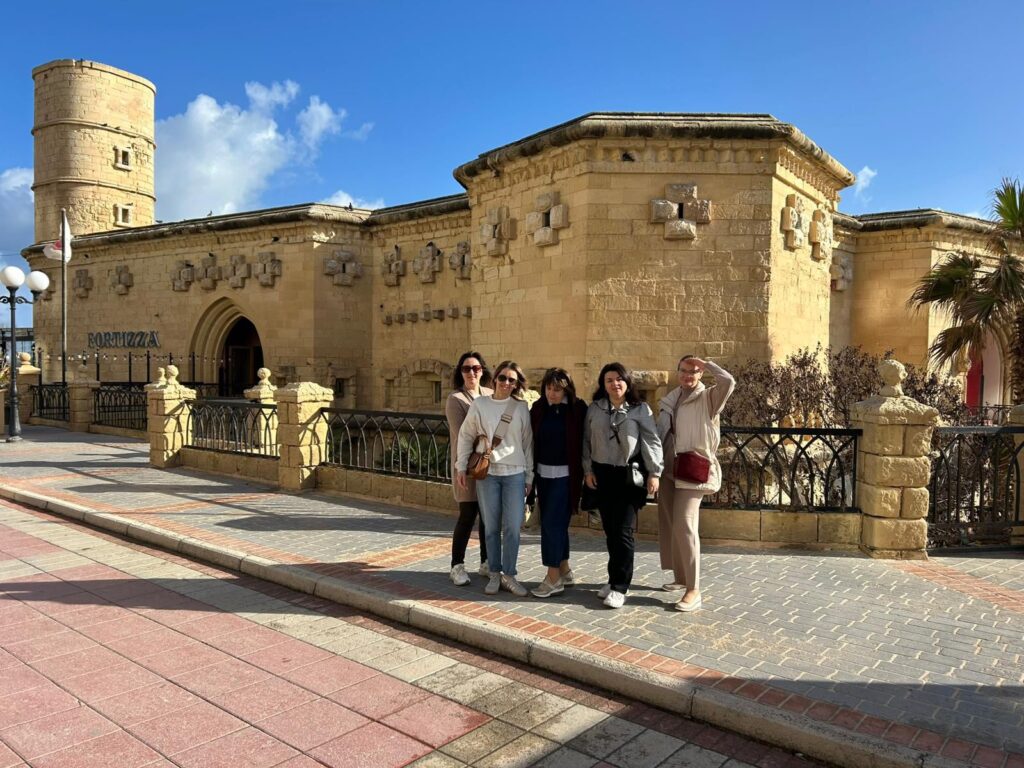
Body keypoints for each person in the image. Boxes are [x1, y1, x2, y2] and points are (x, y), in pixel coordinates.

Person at [656, 356, 736, 613]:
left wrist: (708, 363)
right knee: (671, 522)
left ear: (701, 374)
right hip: (668, 466)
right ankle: (680, 578)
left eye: (694, 371)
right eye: (684, 370)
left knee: (685, 523)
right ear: (677, 371)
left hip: (693, 468)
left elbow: (728, 382)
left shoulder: (709, 397)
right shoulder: (671, 399)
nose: (688, 375)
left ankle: (694, 589)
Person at [582, 363, 663, 609]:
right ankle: (613, 578)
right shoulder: (595, 408)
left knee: (623, 531)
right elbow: (586, 441)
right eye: (609, 380)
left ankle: (621, 586)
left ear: (627, 382)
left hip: (629, 475)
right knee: (610, 530)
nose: (614, 384)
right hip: (602, 474)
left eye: (619, 379)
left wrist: (654, 472)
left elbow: (651, 441)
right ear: (603, 384)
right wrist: (588, 470)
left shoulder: (640, 409)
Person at [456, 361, 534, 597]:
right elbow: (466, 435)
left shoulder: (520, 408)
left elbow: (528, 444)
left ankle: (509, 575)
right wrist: (461, 466)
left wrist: (529, 476)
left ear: (516, 384)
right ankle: (494, 573)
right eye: (502, 378)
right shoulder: (480, 404)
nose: (506, 383)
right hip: (487, 474)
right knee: (490, 527)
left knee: (512, 528)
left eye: (512, 380)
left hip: (515, 474)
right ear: (495, 379)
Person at [528, 368, 587, 598]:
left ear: (567, 390)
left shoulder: (577, 409)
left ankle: (553, 578)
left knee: (552, 524)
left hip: (566, 477)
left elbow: (586, 441)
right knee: (554, 524)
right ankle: (564, 569)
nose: (552, 393)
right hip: (543, 476)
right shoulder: (538, 408)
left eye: (558, 389)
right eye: (549, 388)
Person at [445, 351, 492, 586]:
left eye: (476, 368)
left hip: (489, 465)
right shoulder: (456, 399)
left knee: (487, 516)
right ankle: (457, 565)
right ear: (460, 372)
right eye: (466, 369)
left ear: (482, 370)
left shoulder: (491, 394)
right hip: (467, 465)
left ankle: (486, 561)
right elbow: (463, 432)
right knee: (467, 515)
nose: (471, 373)